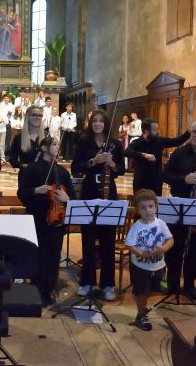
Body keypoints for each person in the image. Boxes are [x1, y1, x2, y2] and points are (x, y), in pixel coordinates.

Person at [71, 110, 125, 300]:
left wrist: (111, 163)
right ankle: (87, 282)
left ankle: (108, 285)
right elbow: (75, 168)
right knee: (88, 240)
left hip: (108, 192)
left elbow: (122, 169)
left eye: (101, 121)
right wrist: (94, 161)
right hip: (89, 192)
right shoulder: (84, 141)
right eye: (94, 121)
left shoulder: (115, 143)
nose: (97, 124)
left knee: (107, 242)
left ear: (106, 123)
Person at [18, 136, 76, 306]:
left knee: (53, 257)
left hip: (57, 221)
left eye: (58, 144)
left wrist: (67, 198)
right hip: (37, 220)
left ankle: (50, 289)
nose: (58, 147)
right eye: (54, 144)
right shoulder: (33, 169)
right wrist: (36, 190)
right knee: (38, 256)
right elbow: (21, 193)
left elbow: (72, 197)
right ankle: (36, 290)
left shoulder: (62, 172)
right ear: (44, 148)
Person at [125, 189, 173, 330]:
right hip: (141, 266)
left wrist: (164, 249)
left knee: (158, 288)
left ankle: (143, 302)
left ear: (156, 206)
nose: (148, 210)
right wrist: (141, 253)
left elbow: (170, 240)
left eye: (151, 206)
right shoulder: (136, 226)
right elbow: (130, 244)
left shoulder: (161, 223)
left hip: (159, 265)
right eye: (143, 207)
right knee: (141, 292)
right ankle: (141, 314)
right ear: (137, 210)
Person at [162, 120, 196, 299]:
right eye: (194, 132)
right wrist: (184, 179)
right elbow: (165, 175)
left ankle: (189, 285)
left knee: (194, 250)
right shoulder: (180, 152)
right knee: (175, 248)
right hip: (179, 206)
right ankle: (173, 285)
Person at [124, 118, 189, 195]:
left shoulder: (159, 141)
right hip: (141, 182)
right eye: (155, 130)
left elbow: (177, 141)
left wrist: (188, 132)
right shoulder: (137, 142)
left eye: (157, 129)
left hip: (156, 183)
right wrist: (144, 155)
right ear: (146, 131)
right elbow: (126, 152)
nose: (158, 132)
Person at [10, 106, 45, 181]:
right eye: (34, 115)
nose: (38, 118)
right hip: (25, 177)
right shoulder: (19, 137)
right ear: (27, 117)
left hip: (43, 177)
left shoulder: (46, 136)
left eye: (40, 115)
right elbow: (12, 159)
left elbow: (52, 159)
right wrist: (22, 165)